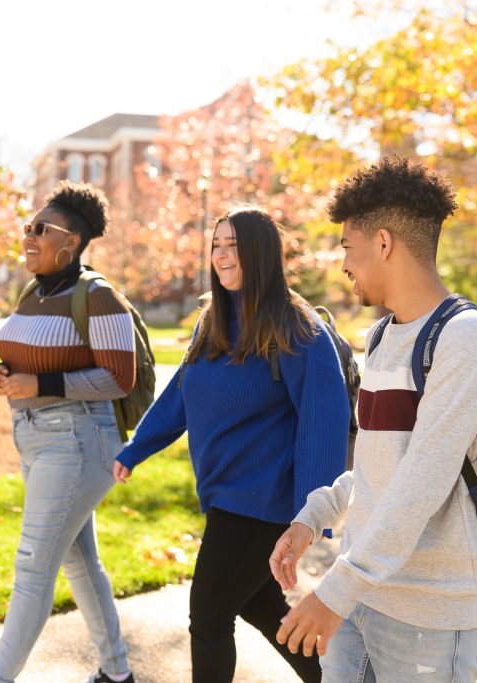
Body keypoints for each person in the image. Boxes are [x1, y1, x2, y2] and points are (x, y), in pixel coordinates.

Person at [270, 156, 477, 681]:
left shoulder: (466, 339)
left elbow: (420, 486)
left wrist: (333, 592)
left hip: (430, 617)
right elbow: (383, 469)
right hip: (361, 596)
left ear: (383, 243)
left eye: (347, 248)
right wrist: (314, 516)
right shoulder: (383, 337)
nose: (344, 264)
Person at [113, 207, 349, 683]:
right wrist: (137, 448)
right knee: (260, 606)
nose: (221, 255)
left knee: (209, 617)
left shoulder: (299, 330)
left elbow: (325, 424)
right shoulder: (214, 321)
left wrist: (311, 518)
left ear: (260, 254)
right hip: (225, 494)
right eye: (216, 245)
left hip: (262, 500)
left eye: (233, 245)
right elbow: (183, 391)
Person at [0, 181, 137, 683]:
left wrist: (41, 382)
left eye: (40, 230)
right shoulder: (33, 292)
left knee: (32, 569)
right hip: (32, 435)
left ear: (70, 243)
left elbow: (120, 378)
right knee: (79, 560)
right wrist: (3, 374)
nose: (28, 236)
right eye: (27, 228)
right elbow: (24, 352)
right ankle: (117, 673)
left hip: (78, 441)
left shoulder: (99, 297)